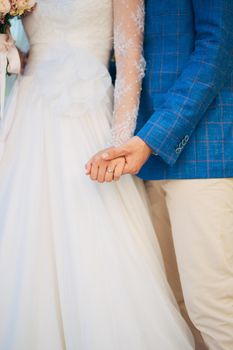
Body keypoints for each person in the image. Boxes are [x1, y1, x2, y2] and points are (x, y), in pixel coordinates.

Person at [0, 1, 194, 349]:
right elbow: (18, 45)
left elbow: (130, 58)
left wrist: (118, 145)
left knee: (93, 237)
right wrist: (8, 45)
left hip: (88, 112)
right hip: (29, 113)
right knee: (24, 233)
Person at [87, 1, 233, 349]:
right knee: (172, 308)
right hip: (139, 160)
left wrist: (152, 138)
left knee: (213, 306)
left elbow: (217, 47)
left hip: (201, 149)